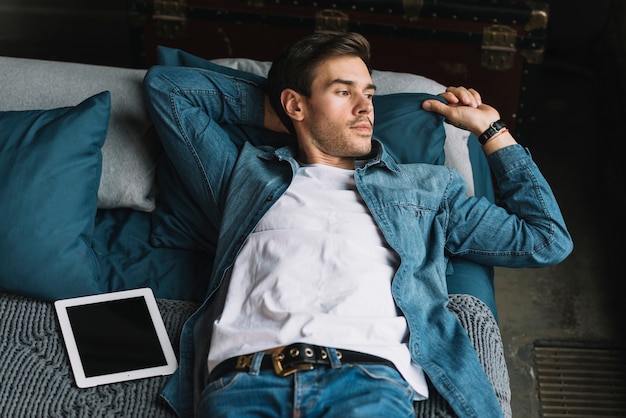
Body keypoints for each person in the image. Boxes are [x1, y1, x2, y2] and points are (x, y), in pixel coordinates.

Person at [143, 32, 573, 418]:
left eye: (368, 92)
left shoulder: (425, 188)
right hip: (244, 383)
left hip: (365, 385)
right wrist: (289, 116)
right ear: (295, 102)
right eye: (343, 91)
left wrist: (492, 130)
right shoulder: (244, 177)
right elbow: (167, 88)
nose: (366, 106)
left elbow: (545, 240)